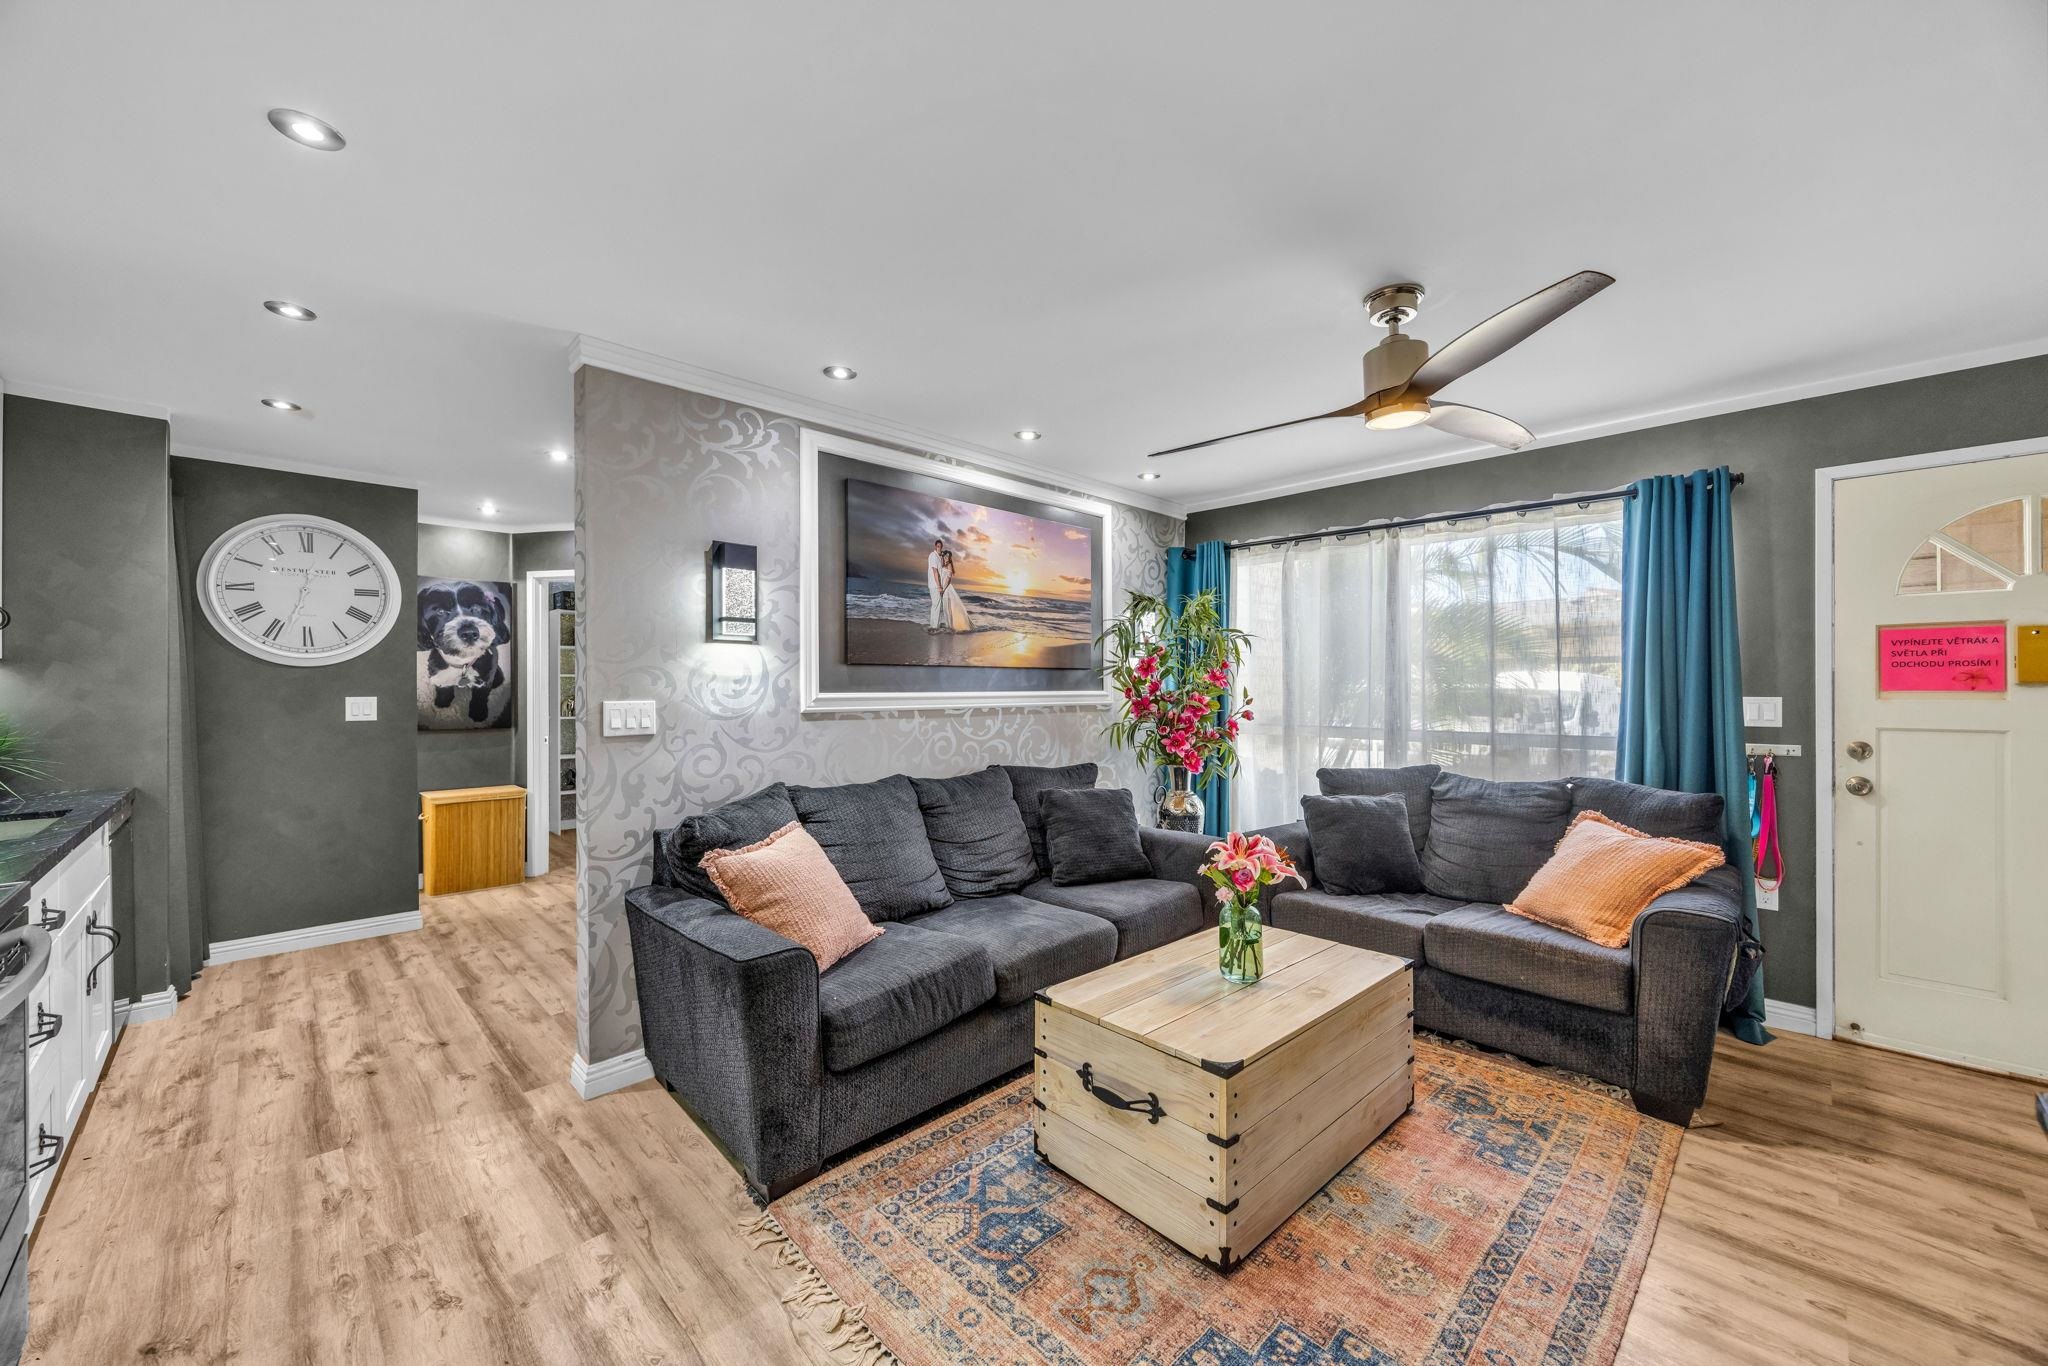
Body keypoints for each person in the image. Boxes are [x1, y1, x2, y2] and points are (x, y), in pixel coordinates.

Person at [939, 549, 976, 632]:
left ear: (950, 558)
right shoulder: (943, 565)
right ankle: (949, 626)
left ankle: (951, 627)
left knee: (948, 609)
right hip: (943, 588)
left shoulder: (949, 566)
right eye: (945, 556)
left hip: (947, 589)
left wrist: (943, 590)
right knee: (946, 608)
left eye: (948, 556)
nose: (946, 557)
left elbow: (948, 580)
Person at [925, 538, 945, 633]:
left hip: (935, 584)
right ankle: (935, 628)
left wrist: (942, 557)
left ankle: (933, 626)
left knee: (935, 605)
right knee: (936, 605)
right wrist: (939, 586)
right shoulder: (933, 556)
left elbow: (941, 570)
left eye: (940, 547)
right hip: (934, 584)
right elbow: (935, 571)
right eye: (938, 547)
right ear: (935, 546)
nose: (939, 549)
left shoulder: (938, 557)